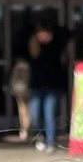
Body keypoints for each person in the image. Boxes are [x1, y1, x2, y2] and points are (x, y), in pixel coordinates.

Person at [27, 17, 69, 151]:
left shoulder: (56, 45)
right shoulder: (32, 47)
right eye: (41, 33)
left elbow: (68, 33)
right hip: (36, 86)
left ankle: (51, 142)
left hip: (52, 87)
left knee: (49, 114)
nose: (43, 36)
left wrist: (55, 30)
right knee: (35, 115)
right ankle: (41, 136)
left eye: (46, 33)